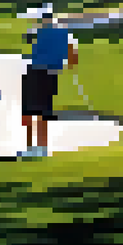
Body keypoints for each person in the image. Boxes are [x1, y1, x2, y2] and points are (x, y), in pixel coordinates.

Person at [19, 11, 78, 158]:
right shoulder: (64, 33)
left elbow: (27, 39)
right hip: (51, 75)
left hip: (34, 72)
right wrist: (65, 64)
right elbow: (73, 57)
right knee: (44, 111)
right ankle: (42, 148)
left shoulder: (37, 31)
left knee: (28, 111)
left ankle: (30, 147)